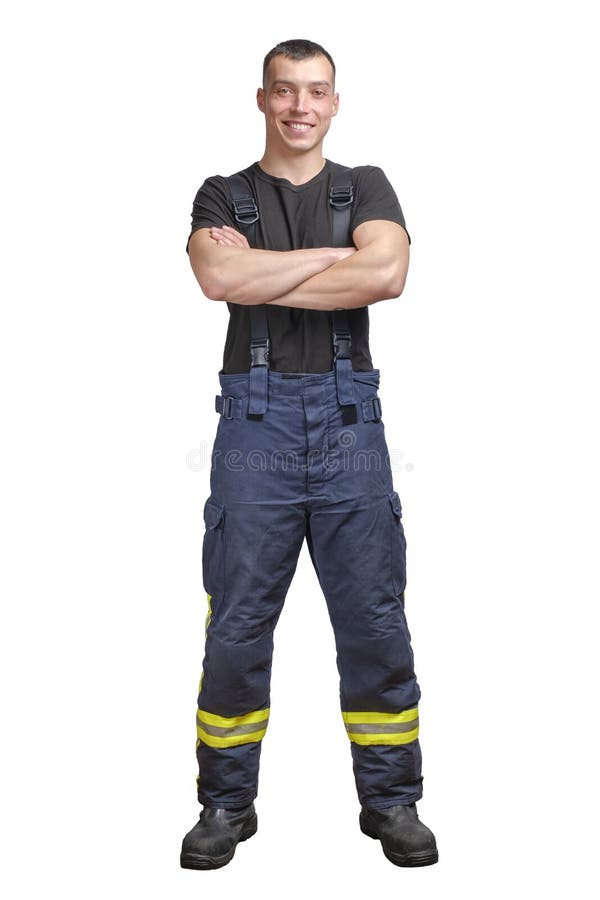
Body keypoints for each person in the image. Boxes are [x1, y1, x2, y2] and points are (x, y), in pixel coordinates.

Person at [180, 39, 438, 870]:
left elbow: (389, 273)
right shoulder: (222, 192)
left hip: (349, 424)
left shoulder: (364, 185)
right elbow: (219, 282)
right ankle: (225, 804)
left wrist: (266, 271)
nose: (300, 106)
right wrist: (336, 261)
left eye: (316, 92)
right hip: (254, 430)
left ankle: (392, 802)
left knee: (373, 620)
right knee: (239, 627)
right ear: (262, 100)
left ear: (334, 102)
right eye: (285, 91)